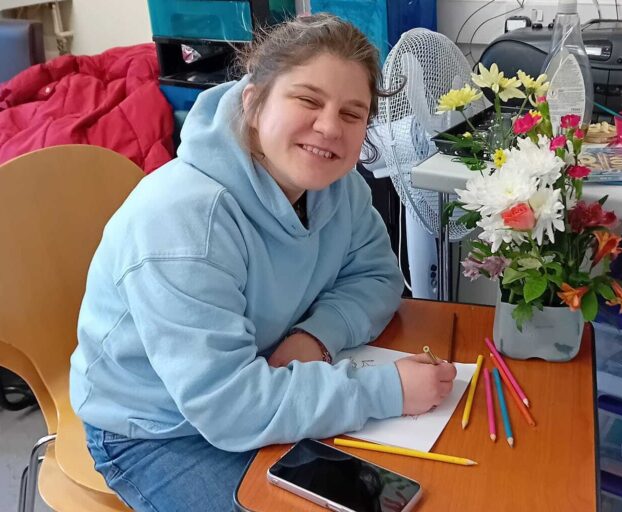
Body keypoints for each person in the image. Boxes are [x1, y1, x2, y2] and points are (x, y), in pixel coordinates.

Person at [69, 14, 457, 512]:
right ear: (254, 101)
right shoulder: (184, 222)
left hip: (269, 375)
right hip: (157, 429)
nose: (329, 128)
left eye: (352, 113)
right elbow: (229, 407)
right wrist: (385, 391)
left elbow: (379, 276)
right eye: (308, 100)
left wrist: (316, 336)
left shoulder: (341, 188)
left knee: (410, 492)